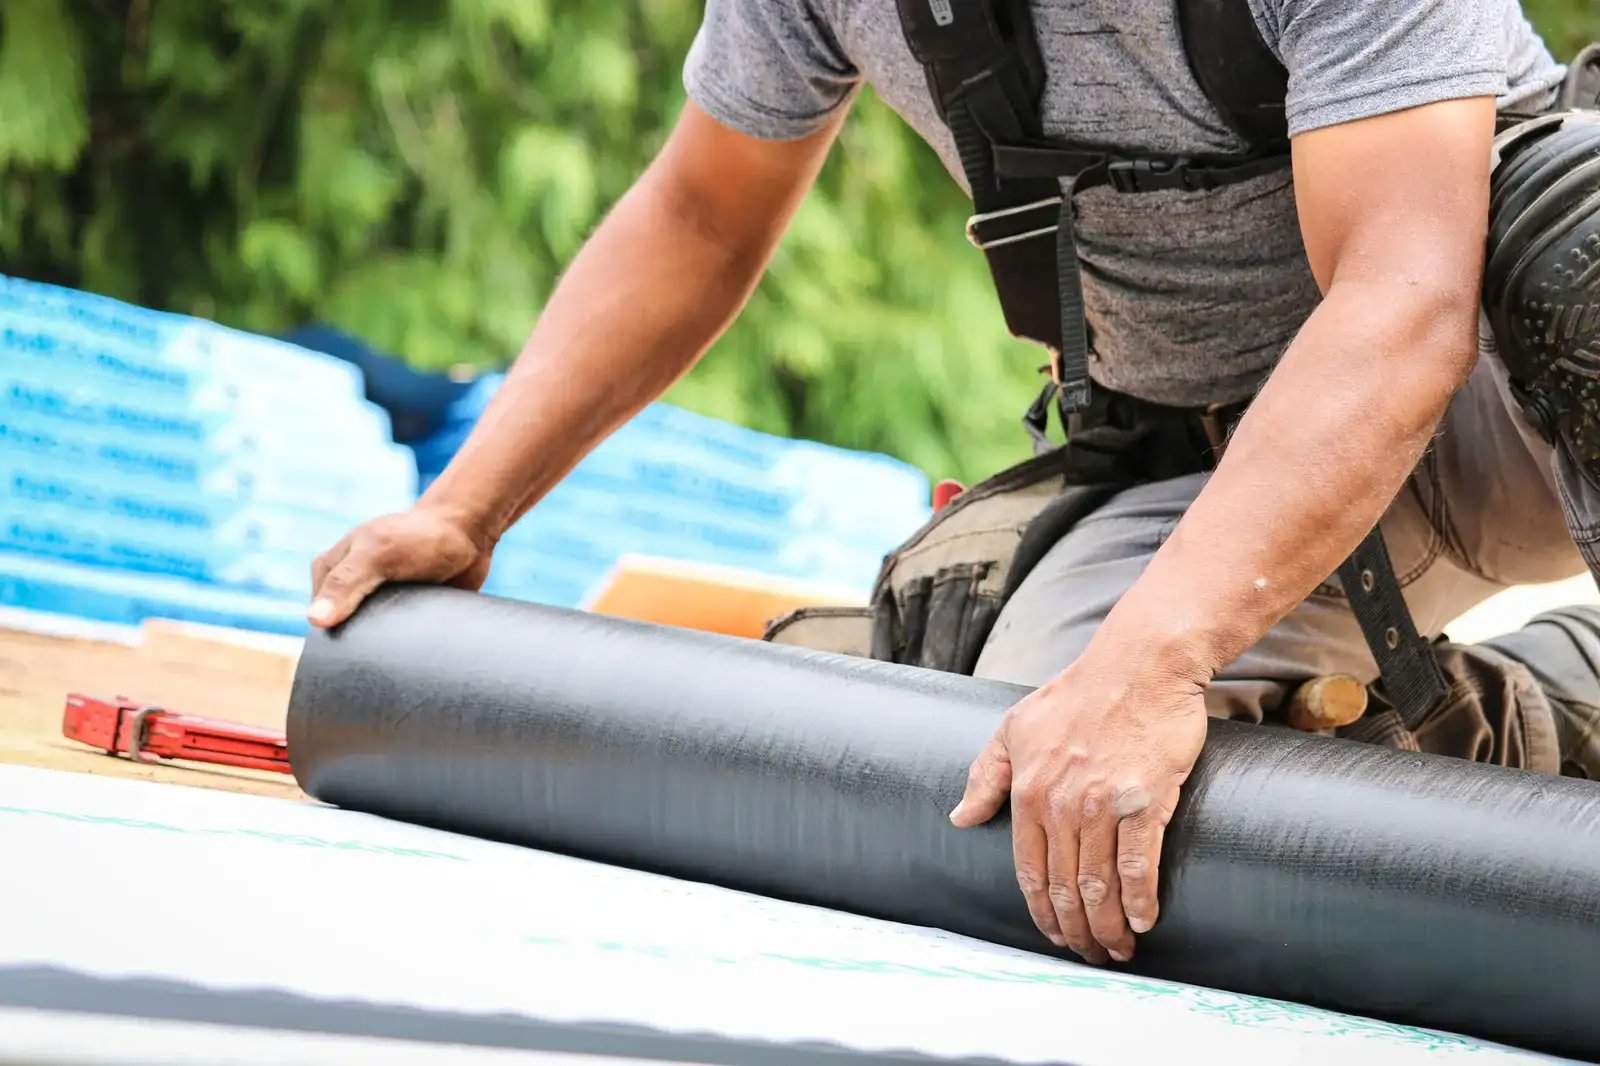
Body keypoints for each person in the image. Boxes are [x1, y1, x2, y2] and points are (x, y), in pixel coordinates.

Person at [308, 2, 1600, 969]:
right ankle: (1536, 724)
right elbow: (702, 213)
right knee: (1060, 811)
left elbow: (1403, 299)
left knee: (1586, 259)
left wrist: (1155, 662)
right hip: (1230, 471)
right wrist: (463, 507)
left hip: (1509, 384)